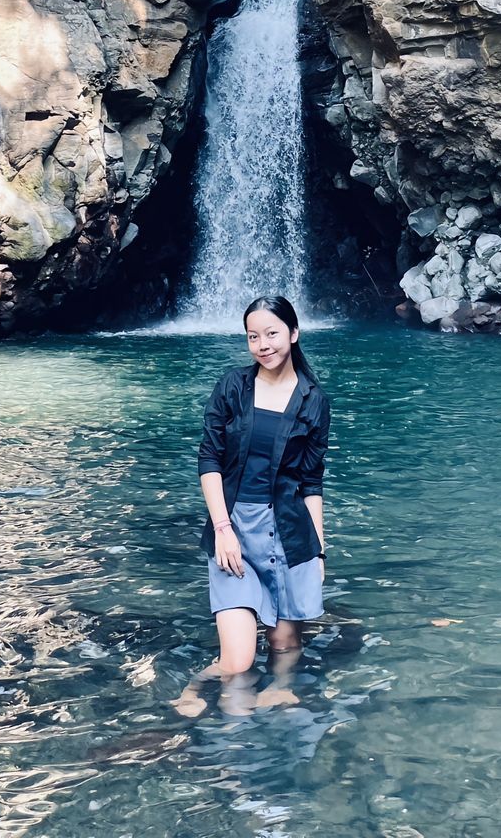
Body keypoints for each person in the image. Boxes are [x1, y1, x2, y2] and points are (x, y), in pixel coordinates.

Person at [175, 295, 331, 715]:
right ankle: (195, 688)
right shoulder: (233, 386)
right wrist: (222, 529)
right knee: (238, 661)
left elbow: (311, 481)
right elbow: (209, 459)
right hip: (235, 533)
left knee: (285, 642)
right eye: (253, 336)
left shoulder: (313, 399)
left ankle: (280, 690)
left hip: (288, 533)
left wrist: (318, 549)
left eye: (272, 333)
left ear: (294, 334)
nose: (263, 345)